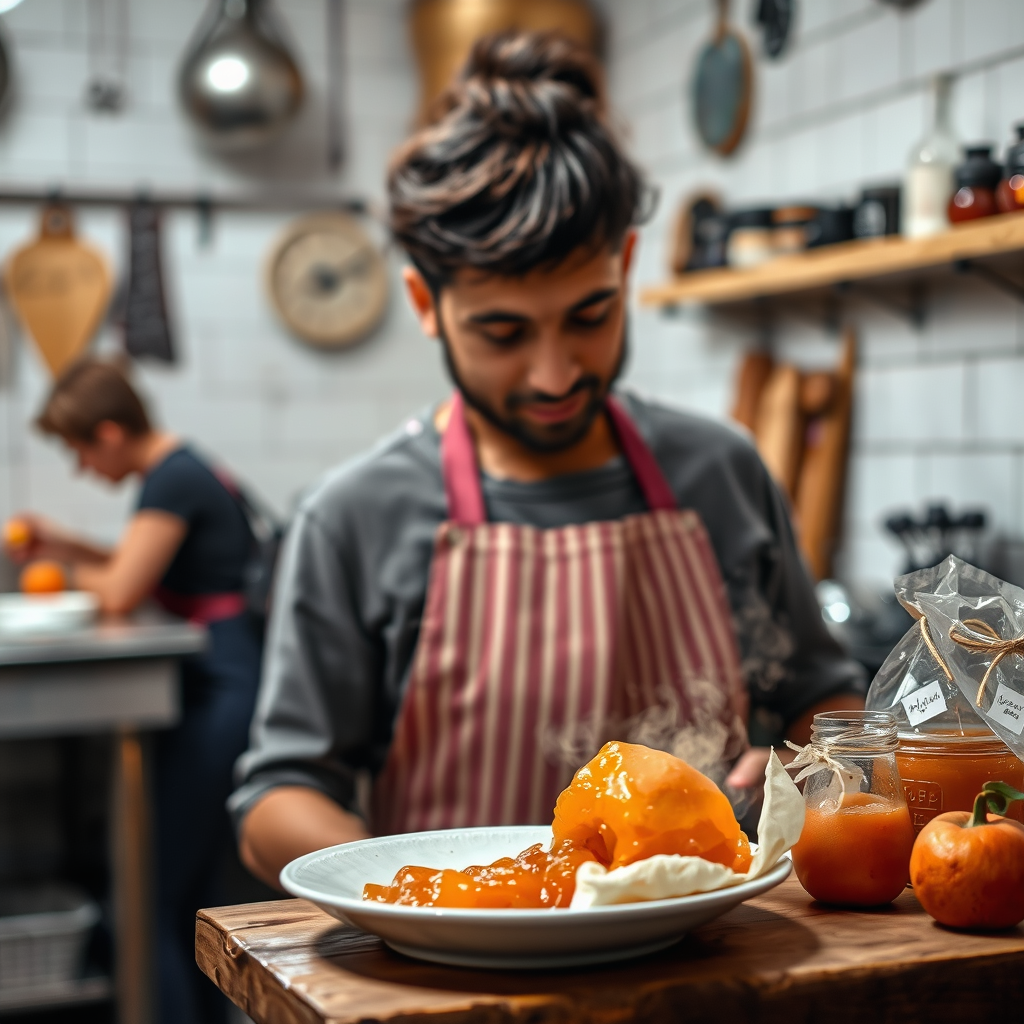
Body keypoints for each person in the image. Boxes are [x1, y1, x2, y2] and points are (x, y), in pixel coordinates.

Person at [232, 32, 865, 888]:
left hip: (714, 959)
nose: (556, 374)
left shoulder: (719, 470)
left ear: (627, 265)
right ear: (426, 303)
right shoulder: (355, 517)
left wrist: (799, 775)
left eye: (591, 315)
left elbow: (827, 705)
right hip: (462, 978)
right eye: (503, 332)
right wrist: (406, 886)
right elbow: (281, 793)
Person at [6, 358, 262, 1024]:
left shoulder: (171, 480)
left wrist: (55, 572)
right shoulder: (180, 471)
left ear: (112, 433)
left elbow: (120, 590)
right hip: (223, 681)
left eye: (80, 448)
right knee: (188, 890)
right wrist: (64, 545)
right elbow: (132, 566)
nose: (82, 466)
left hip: (219, 688)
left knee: (150, 893)